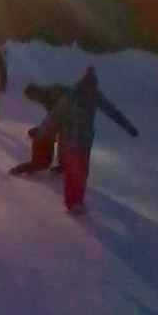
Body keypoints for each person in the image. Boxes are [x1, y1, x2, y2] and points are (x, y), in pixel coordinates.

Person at [29, 65, 138, 212]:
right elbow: (53, 117)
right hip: (70, 138)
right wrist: (41, 131)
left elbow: (112, 111)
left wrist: (128, 127)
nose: (90, 92)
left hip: (85, 140)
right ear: (83, 85)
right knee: (72, 171)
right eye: (88, 88)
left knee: (82, 171)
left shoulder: (95, 96)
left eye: (92, 88)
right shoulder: (70, 98)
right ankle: (72, 202)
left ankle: (77, 201)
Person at [8, 81, 71, 175]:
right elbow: (52, 117)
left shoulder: (51, 93)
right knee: (61, 139)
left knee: (64, 139)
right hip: (63, 119)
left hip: (69, 115)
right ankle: (63, 165)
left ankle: (64, 165)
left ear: (35, 93)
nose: (35, 101)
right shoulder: (46, 97)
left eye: (33, 98)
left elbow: (56, 114)